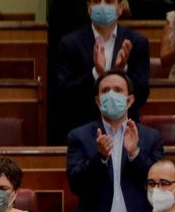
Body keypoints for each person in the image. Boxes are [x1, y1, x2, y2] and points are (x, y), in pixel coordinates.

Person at [65, 70, 165, 212]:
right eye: (105, 91)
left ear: (130, 100)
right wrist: (100, 157)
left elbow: (161, 184)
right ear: (98, 101)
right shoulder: (79, 136)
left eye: (118, 90)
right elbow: (76, 185)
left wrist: (135, 154)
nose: (111, 95)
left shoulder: (150, 137)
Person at [54, 0, 151, 145]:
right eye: (97, 1)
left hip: (126, 134)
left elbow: (142, 94)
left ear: (119, 8)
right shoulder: (70, 44)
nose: (103, 6)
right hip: (84, 131)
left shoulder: (137, 42)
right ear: (88, 7)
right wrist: (96, 73)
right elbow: (63, 94)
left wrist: (121, 73)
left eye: (109, 1)